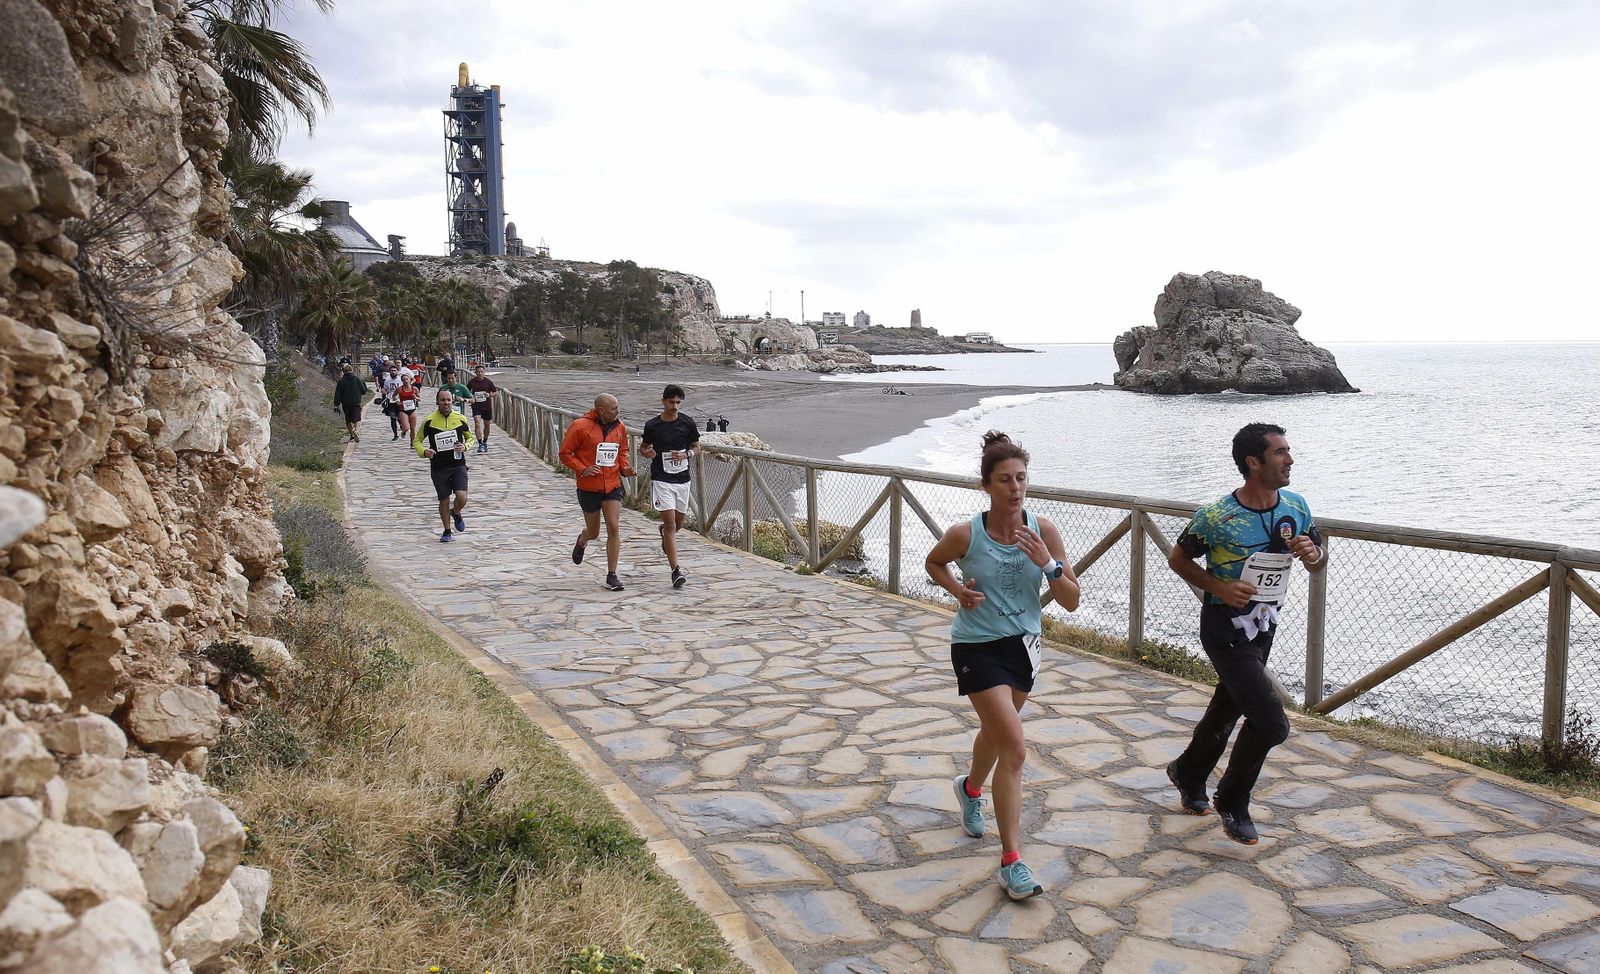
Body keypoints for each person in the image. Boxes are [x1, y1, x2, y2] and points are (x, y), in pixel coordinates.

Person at [924, 431, 1080, 900]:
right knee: (1013, 746)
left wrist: (1049, 564)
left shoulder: (1043, 530)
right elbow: (935, 563)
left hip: (1023, 647)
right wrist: (958, 592)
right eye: (1005, 480)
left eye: (1021, 479)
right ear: (986, 485)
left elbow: (1071, 601)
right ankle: (1011, 861)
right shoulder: (966, 534)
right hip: (976, 646)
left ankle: (970, 788)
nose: (1015, 488)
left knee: (996, 732)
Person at [1165, 423, 1326, 845]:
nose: (1290, 459)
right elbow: (1178, 558)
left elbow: (1316, 559)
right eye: (1280, 453)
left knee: (1229, 706)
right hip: (1224, 628)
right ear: (1253, 463)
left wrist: (1314, 554)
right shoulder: (1218, 517)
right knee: (1271, 724)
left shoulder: (1296, 505)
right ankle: (1233, 801)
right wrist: (1218, 586)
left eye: (1289, 451)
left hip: (1265, 626)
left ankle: (1189, 771)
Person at [560, 393, 635, 591]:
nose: (618, 411)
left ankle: (612, 574)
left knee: (613, 526)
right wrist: (581, 468)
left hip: (612, 485)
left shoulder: (620, 427)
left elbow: (623, 451)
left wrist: (624, 468)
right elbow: (565, 454)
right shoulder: (580, 426)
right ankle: (583, 540)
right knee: (594, 532)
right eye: (614, 409)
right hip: (588, 487)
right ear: (601, 410)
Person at [640, 384, 700, 589]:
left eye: (678, 402)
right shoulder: (652, 425)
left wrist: (687, 455)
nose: (675, 406)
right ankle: (676, 571)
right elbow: (644, 447)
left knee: (678, 525)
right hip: (662, 480)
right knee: (672, 525)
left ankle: (664, 531)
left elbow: (697, 447)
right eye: (671, 402)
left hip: (683, 479)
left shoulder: (688, 423)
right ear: (663, 402)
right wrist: (647, 453)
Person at [414, 389, 476, 542]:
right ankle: (447, 531)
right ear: (437, 402)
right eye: (443, 400)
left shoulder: (460, 419)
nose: (446, 403)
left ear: (452, 401)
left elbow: (470, 438)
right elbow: (417, 441)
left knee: (462, 497)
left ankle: (456, 512)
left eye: (448, 400)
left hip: (458, 464)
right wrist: (424, 451)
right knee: (444, 499)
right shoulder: (429, 421)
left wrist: (465, 447)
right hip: (439, 466)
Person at [466, 364, 498, 454]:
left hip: (487, 406)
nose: (480, 373)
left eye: (481, 372)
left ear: (484, 372)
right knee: (477, 423)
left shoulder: (488, 382)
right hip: (476, 406)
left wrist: (490, 395)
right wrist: (471, 397)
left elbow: (496, 392)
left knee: (487, 425)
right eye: (478, 372)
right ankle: (480, 443)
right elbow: (466, 391)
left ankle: (485, 442)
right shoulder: (472, 382)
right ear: (475, 372)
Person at [332, 363, 368, 443]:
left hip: (346, 404)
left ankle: (351, 435)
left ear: (344, 372)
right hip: (356, 402)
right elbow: (364, 391)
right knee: (357, 418)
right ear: (352, 370)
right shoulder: (357, 379)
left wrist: (336, 404)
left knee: (348, 420)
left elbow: (338, 393)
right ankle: (357, 431)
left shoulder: (341, 381)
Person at [381, 364, 403, 440]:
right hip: (390, 401)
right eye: (392, 371)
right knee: (392, 418)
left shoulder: (401, 380)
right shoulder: (387, 380)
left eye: (394, 371)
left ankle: (401, 424)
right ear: (389, 372)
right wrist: (384, 391)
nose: (393, 372)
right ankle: (395, 434)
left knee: (400, 416)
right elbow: (385, 388)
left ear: (397, 371)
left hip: (399, 400)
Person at [395, 373, 420, 441]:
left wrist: (416, 398)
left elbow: (419, 398)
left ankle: (412, 443)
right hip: (403, 409)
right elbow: (393, 397)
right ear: (402, 381)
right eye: (404, 380)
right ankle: (404, 431)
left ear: (410, 380)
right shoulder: (399, 389)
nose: (405, 381)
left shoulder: (414, 389)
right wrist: (397, 401)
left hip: (412, 409)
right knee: (406, 428)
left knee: (413, 428)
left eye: (407, 379)